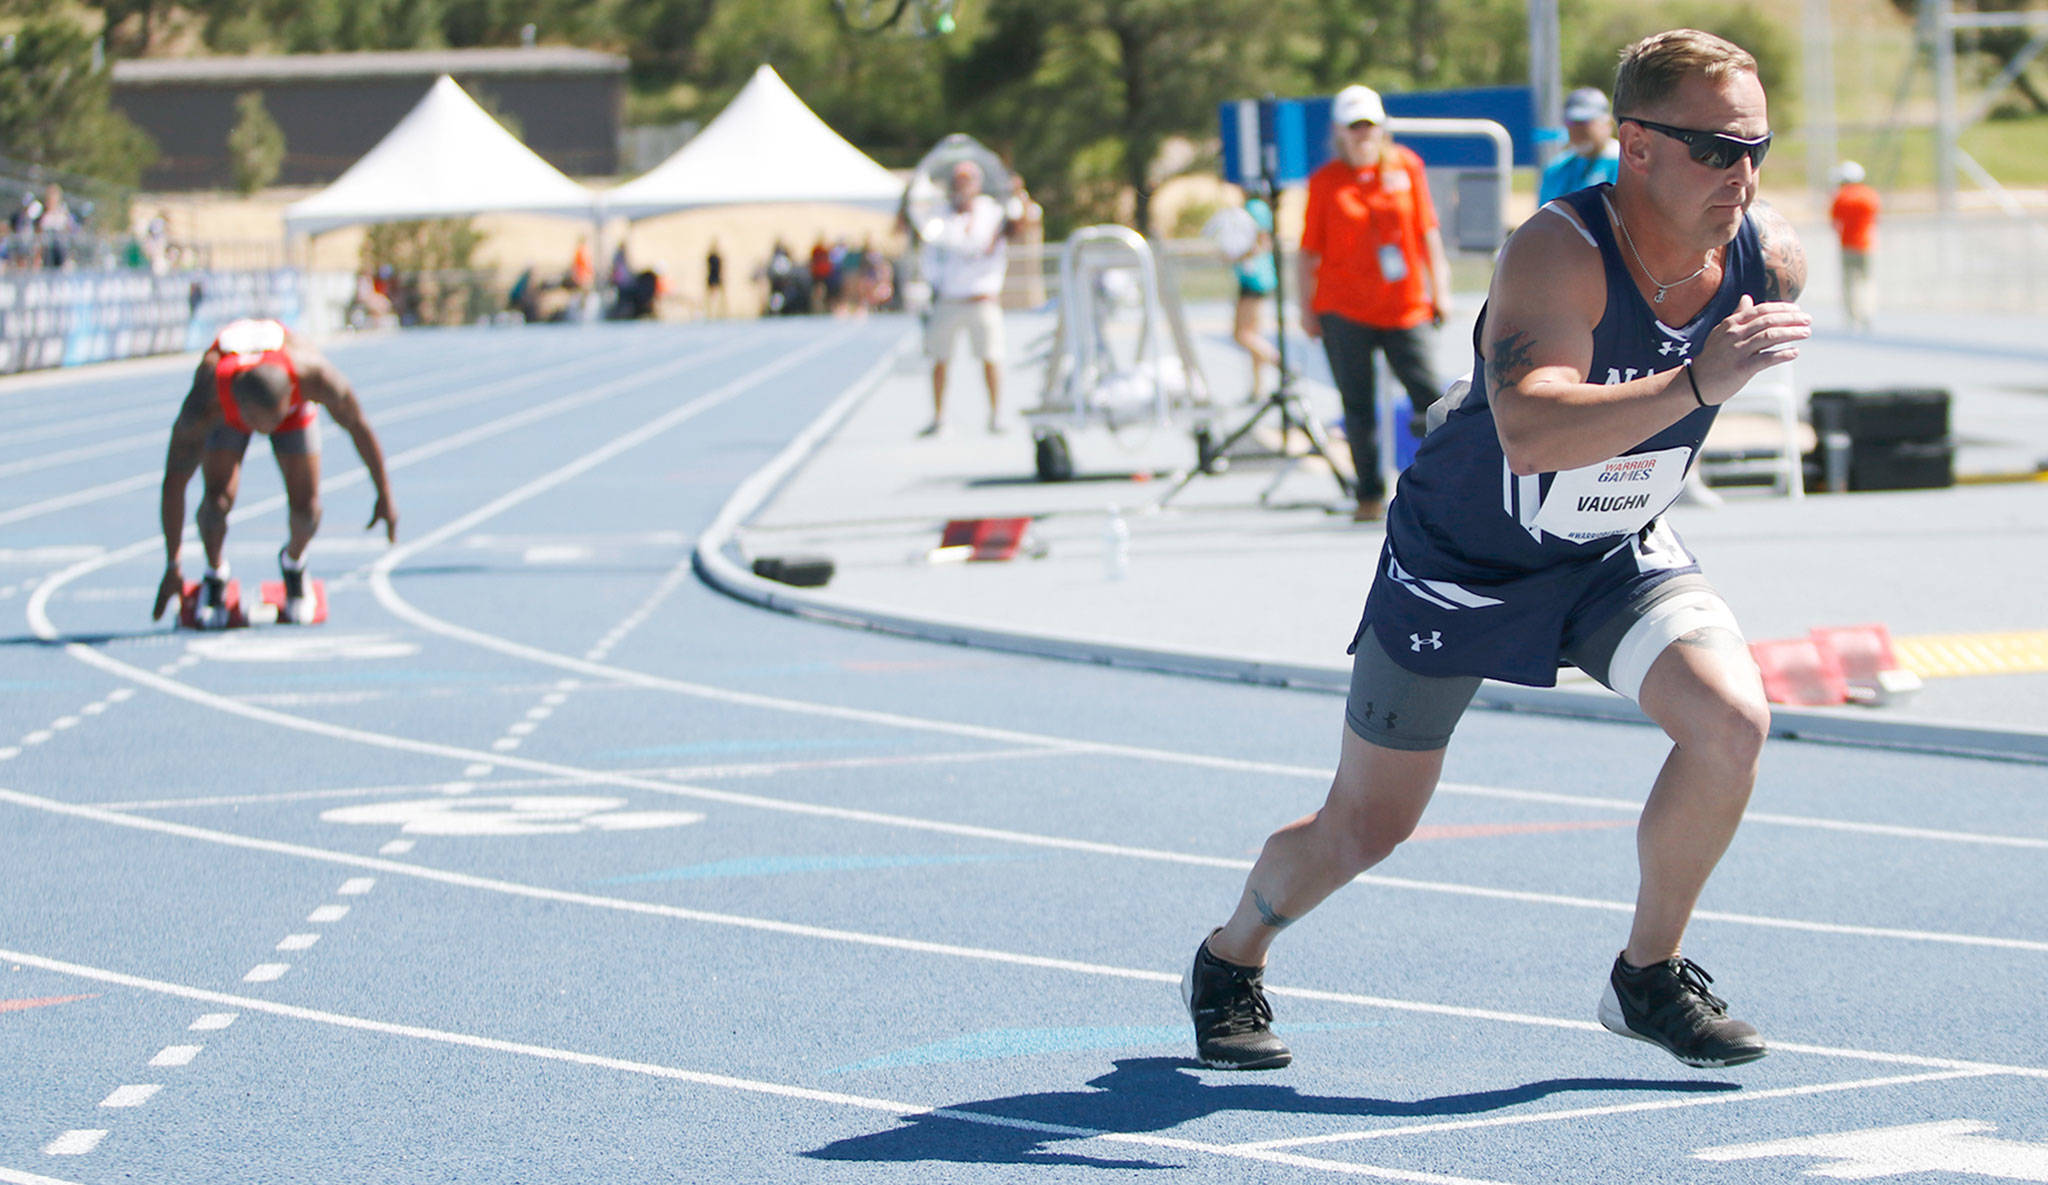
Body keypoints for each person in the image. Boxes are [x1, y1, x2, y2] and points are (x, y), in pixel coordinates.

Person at [1184, 29, 1810, 1075]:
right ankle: (1229, 957)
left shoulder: (1766, 256)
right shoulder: (1556, 252)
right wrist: (1697, 383)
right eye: (1713, 148)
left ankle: (1645, 976)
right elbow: (1528, 427)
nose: (1739, 172)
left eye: (1756, 145)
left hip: (1611, 547)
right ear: (1636, 146)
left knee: (1730, 723)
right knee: (1366, 825)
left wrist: (1694, 387)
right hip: (1461, 560)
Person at [153, 319, 398, 628]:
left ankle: (294, 563)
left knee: (307, 511)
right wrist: (172, 564)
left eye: (273, 421)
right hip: (230, 409)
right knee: (215, 503)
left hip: (286, 404)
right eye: (259, 424)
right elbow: (174, 481)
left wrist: (384, 493)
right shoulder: (206, 400)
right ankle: (215, 575)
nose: (265, 432)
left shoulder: (315, 376)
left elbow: (358, 425)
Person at [1300, 85, 1453, 522]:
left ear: (1381, 127)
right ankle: (1368, 494)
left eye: (1368, 125)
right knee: (1358, 404)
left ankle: (1438, 487)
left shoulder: (1407, 167)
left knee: (1430, 398)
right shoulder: (1326, 182)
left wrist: (1438, 288)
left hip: (1404, 305)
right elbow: (1308, 252)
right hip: (1343, 308)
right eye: (1353, 127)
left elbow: (1428, 234)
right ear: (1339, 132)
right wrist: (1306, 308)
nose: (1362, 134)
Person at [918, 159, 1017, 436]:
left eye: (968, 180)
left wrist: (1017, 194)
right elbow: (931, 252)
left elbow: (1018, 224)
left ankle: (996, 415)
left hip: (982, 298)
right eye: (958, 180)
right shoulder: (940, 215)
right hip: (949, 299)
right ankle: (939, 418)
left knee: (991, 357)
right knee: (939, 359)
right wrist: (933, 285)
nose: (962, 186)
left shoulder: (992, 211)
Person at [1230, 194, 1283, 401]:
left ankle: (1280, 363)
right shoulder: (1253, 207)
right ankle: (1257, 387)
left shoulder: (1255, 208)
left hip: (1255, 279)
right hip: (1253, 278)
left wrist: (1238, 254)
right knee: (1252, 332)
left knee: (1242, 334)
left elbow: (1262, 242)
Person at [1538, 87, 1623, 207]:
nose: (1578, 129)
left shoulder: (1626, 164)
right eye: (1572, 122)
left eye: (1586, 122)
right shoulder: (1557, 168)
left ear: (1608, 123)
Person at [1829, 160, 1879, 333]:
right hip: (1867, 245)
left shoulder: (1841, 197)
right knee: (1867, 281)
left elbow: (1835, 222)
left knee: (1849, 283)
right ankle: (1867, 313)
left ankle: (1852, 316)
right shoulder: (1870, 195)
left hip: (1847, 245)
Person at [705, 240, 727, 319]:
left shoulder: (715, 257)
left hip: (716, 277)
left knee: (719, 296)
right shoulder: (712, 257)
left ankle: (720, 313)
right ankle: (711, 313)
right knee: (711, 296)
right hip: (713, 277)